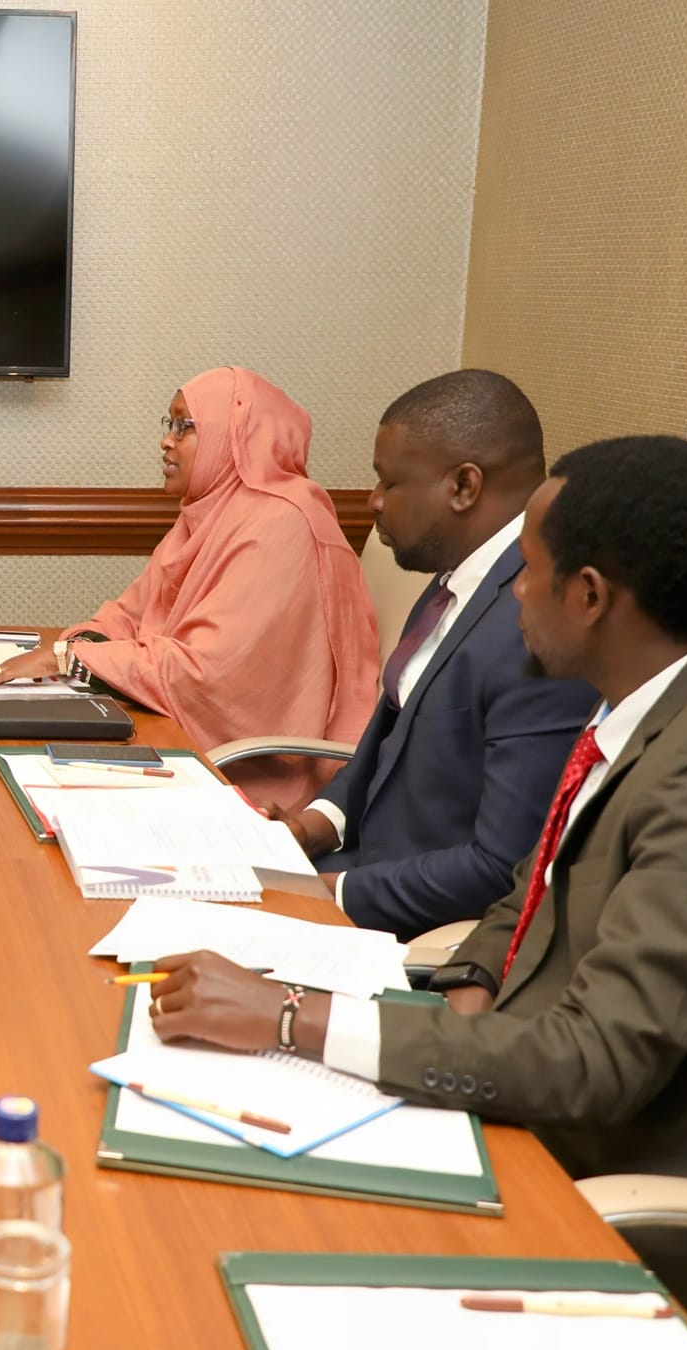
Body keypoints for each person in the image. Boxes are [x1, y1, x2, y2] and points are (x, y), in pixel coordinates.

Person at [147, 435, 687, 1343]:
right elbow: (536, 881)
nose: (513, 594)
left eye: (529, 571)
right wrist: (475, 976)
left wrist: (291, 1016)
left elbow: (597, 1064)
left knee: (220, 1277)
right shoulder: (645, 703)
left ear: (590, 596)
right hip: (524, 1119)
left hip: (632, 1214)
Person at [267, 371, 599, 938]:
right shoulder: (458, 575)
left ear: (464, 486)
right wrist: (313, 826)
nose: (373, 501)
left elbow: (501, 868)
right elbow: (390, 744)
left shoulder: (540, 625)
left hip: (409, 928)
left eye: (389, 482)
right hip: (351, 873)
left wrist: (322, 894)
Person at [0, 366, 378, 808]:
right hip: (179, 738)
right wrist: (71, 649)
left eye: (185, 426)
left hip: (246, 777)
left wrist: (69, 658)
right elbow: (129, 615)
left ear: (234, 435)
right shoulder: (210, 512)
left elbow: (206, 674)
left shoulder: (282, 524)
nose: (166, 440)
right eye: (170, 423)